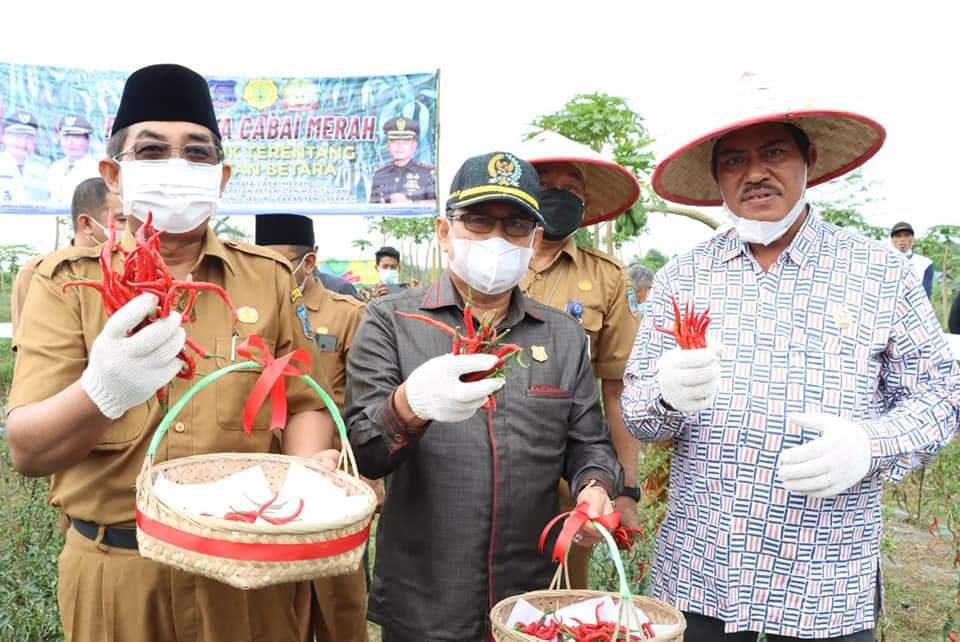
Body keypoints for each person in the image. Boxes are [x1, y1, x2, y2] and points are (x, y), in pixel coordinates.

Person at [5, 63, 339, 642]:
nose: (176, 167)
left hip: (247, 573)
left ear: (222, 176)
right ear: (114, 173)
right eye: (152, 151)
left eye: (197, 153)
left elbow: (306, 401)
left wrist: (308, 470)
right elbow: (29, 451)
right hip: (116, 574)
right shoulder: (64, 283)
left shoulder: (266, 278)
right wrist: (101, 392)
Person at [623, 80, 960, 641]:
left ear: (810, 161)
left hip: (824, 582)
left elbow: (941, 396)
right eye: (735, 160)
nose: (755, 172)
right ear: (717, 178)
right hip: (701, 574)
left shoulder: (879, 272)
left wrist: (869, 446)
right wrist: (664, 394)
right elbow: (639, 414)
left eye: (774, 153)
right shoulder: (685, 276)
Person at [346, 151, 622, 640]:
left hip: (529, 604)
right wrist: (409, 406)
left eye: (516, 226)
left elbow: (588, 442)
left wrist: (595, 486)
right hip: (425, 600)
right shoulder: (391, 322)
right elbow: (365, 452)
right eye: (478, 221)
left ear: (535, 239)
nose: (497, 239)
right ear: (444, 231)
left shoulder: (560, 335)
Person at [516, 130, 643, 588]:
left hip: (573, 472)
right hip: (489, 462)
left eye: (571, 190)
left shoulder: (606, 277)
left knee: (562, 600)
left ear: (585, 205)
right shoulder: (489, 262)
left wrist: (626, 487)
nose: (558, 197)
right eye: (545, 185)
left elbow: (616, 388)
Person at [255, 213, 372, 642]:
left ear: (310, 262)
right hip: (267, 480)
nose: (275, 275)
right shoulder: (253, 314)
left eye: (284, 264)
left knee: (339, 601)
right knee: (281, 605)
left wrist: (365, 480)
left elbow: (366, 404)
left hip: (332, 473)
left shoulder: (348, 315)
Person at [10, 177, 125, 335]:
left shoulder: (130, 267)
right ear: (86, 224)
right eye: (122, 220)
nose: (129, 227)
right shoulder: (39, 273)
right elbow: (30, 348)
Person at [254, 212, 360, 299]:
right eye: (264, 264)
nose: (271, 274)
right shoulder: (256, 296)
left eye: (280, 265)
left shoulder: (340, 290)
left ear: (309, 262)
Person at [368, 117, 436, 204]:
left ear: (414, 145)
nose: (399, 146)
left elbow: (438, 205)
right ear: (388, 145)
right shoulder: (380, 175)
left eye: (405, 141)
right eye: (395, 141)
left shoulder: (427, 174)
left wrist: (411, 203)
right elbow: (372, 211)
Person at [47, 115, 101, 204]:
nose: (70, 142)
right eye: (66, 137)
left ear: (88, 140)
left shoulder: (96, 169)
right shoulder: (55, 167)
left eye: (76, 137)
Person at [0, 111, 49, 202]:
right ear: (4, 137)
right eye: (17, 136)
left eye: (29, 137)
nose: (23, 142)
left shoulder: (43, 169)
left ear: (35, 140)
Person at [889, 221, 934, 299]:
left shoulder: (925, 264)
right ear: (892, 240)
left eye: (906, 235)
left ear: (913, 239)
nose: (902, 239)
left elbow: (926, 296)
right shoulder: (885, 261)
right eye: (898, 236)